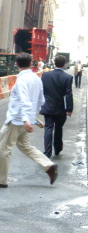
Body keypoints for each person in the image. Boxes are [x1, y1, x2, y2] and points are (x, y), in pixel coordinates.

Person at [0, 53, 58, 188]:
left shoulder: (22, 80)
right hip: (25, 120)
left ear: (16, 64)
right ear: (31, 64)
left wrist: (27, 119)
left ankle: (1, 180)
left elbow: (24, 100)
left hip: (16, 119)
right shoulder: (36, 79)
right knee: (25, 146)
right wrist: (32, 118)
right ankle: (48, 165)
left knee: (3, 149)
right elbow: (40, 100)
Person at [40, 54, 73, 158]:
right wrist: (69, 109)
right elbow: (69, 94)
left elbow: (42, 91)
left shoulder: (45, 75)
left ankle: (47, 152)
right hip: (60, 107)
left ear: (54, 63)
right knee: (59, 128)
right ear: (64, 64)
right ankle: (57, 149)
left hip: (48, 106)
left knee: (48, 128)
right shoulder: (68, 77)